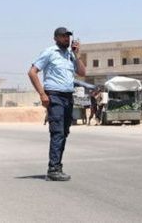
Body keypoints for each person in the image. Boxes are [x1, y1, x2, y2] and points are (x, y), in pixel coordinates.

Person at [27, 27, 87, 181]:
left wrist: (76, 54)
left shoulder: (70, 55)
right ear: (55, 38)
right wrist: (42, 94)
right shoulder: (49, 52)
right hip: (54, 96)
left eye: (68, 36)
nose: (66, 39)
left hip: (68, 97)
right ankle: (53, 169)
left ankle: (57, 166)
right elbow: (32, 72)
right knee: (57, 132)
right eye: (63, 36)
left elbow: (82, 72)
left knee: (64, 132)